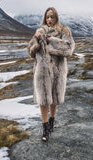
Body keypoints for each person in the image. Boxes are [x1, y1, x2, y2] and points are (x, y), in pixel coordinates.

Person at [27, 7, 75, 142]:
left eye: (52, 17)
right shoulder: (39, 31)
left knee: (54, 98)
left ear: (56, 17)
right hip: (41, 72)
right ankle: (45, 128)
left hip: (57, 70)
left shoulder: (64, 31)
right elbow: (31, 52)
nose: (49, 20)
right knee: (43, 100)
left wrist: (51, 41)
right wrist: (36, 40)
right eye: (47, 17)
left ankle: (52, 121)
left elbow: (68, 49)